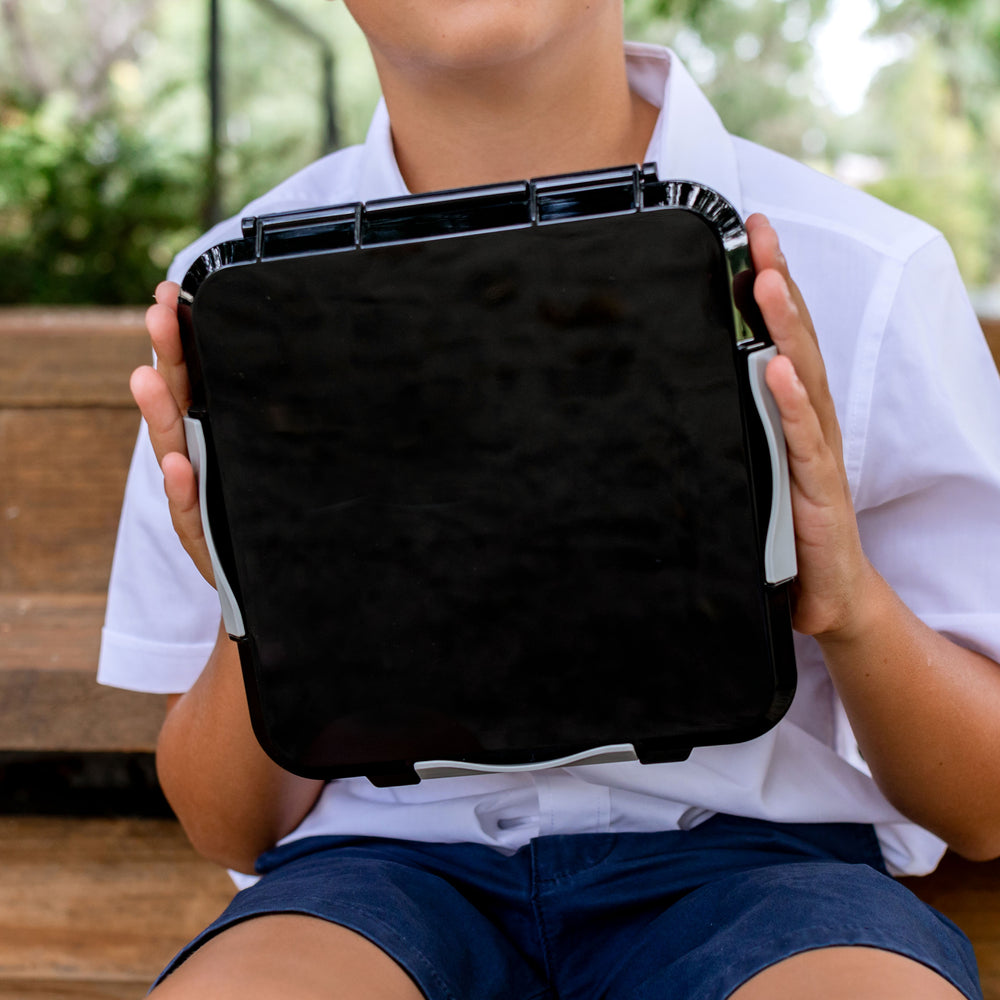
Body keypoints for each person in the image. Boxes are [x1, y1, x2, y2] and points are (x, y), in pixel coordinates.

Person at [98, 2, 1000, 997]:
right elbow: (225, 824)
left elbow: (986, 804)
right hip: (370, 883)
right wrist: (257, 612)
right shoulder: (225, 303)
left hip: (769, 879)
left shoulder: (863, 273)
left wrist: (846, 598)